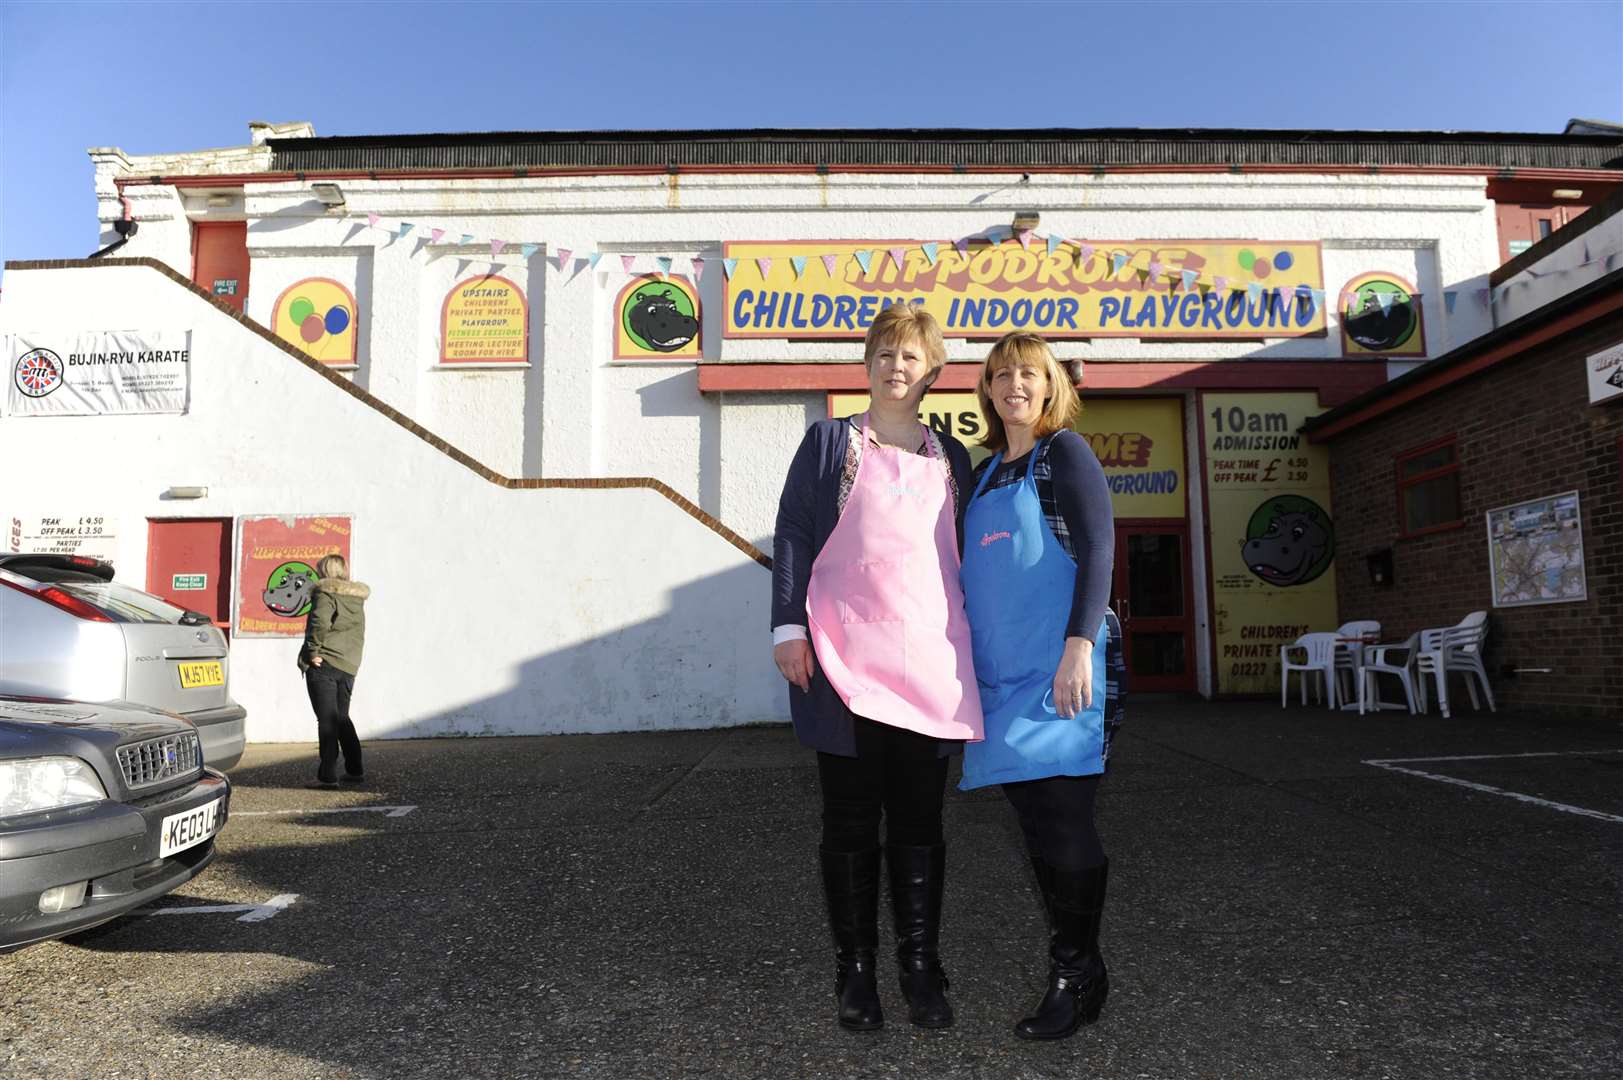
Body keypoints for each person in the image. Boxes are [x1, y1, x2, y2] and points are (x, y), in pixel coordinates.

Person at [772, 303, 983, 1032]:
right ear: (867, 363)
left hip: (928, 662)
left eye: (911, 357)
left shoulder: (950, 458)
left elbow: (968, 561)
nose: (897, 367)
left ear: (932, 372)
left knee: (921, 821)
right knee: (851, 819)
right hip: (842, 657)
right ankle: (854, 971)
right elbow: (795, 531)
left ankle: (919, 967)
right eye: (886, 354)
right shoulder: (830, 442)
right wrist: (786, 625)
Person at [958, 331, 1125, 1041]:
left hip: (1061, 675)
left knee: (1063, 823)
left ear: (1050, 384)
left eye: (1027, 374)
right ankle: (1080, 967)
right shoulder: (985, 471)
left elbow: (1099, 547)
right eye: (1000, 376)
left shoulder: (1065, 454)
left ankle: (1074, 971)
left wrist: (1078, 646)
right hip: (1000, 679)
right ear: (987, 392)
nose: (1013, 386)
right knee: (1033, 826)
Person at [298, 553, 369, 789]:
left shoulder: (325, 592)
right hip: (348, 665)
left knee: (327, 720)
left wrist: (311, 651)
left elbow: (320, 622)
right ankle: (355, 768)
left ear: (323, 570)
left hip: (325, 663)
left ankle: (327, 776)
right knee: (341, 718)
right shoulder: (355, 598)